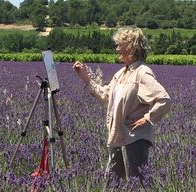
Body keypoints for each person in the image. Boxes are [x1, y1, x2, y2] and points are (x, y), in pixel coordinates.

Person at [73, 26, 171, 183]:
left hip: (135, 139)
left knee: (138, 186)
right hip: (118, 137)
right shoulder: (121, 73)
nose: (117, 48)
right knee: (112, 185)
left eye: (120, 45)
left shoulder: (142, 72)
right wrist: (84, 77)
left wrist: (148, 118)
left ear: (131, 47)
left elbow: (164, 99)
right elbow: (106, 95)